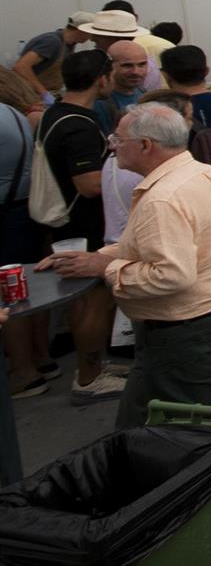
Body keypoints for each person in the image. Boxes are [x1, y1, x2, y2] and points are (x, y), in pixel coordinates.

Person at [39, 104, 211, 426]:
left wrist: (103, 268)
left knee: (199, 427)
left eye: (118, 139)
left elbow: (171, 275)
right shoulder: (205, 173)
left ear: (146, 145)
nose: (112, 146)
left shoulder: (163, 197)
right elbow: (166, 244)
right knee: (209, 411)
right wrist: (98, 257)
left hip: (185, 329)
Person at [31, 49, 125, 406]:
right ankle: (89, 379)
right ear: (102, 79)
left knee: (83, 300)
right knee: (95, 301)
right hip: (86, 225)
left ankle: (95, 366)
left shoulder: (55, 113)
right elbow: (88, 184)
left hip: (70, 225)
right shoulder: (79, 125)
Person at [12, 12, 94, 100]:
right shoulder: (52, 42)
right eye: (90, 33)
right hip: (29, 95)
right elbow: (21, 67)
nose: (91, 38)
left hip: (48, 93)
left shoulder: (69, 45)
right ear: (82, 30)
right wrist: (44, 93)